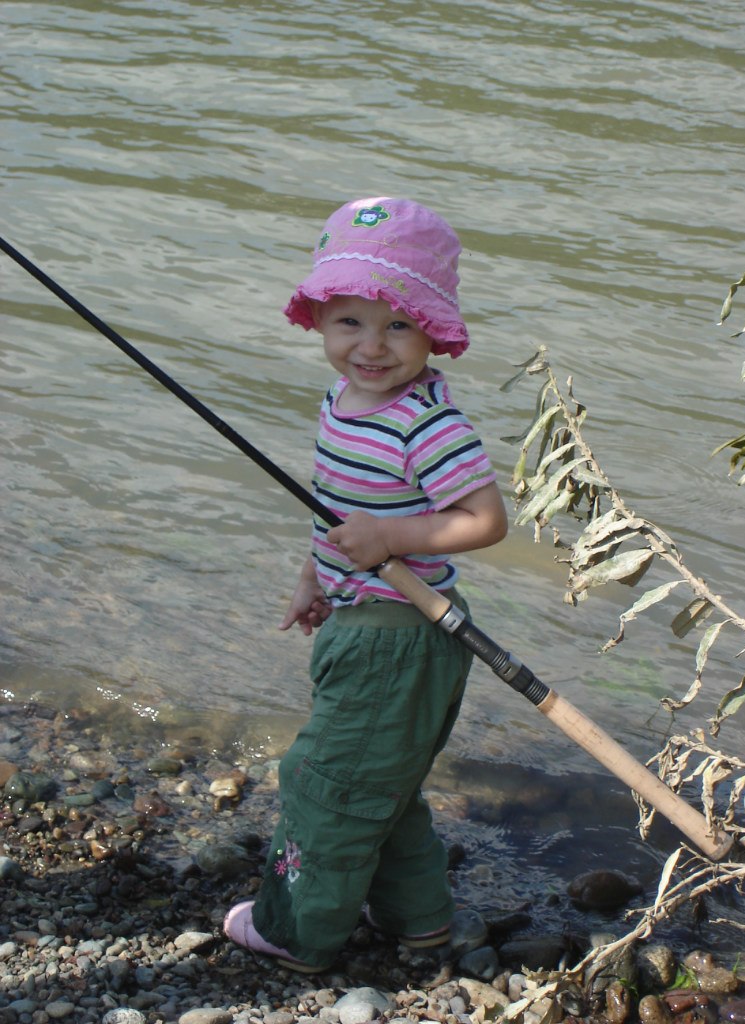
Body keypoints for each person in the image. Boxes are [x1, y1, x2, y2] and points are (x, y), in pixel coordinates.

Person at [223, 196, 508, 972]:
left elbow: (484, 519)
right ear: (319, 319)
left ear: (433, 332)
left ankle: (299, 932)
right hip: (364, 625)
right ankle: (419, 922)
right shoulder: (341, 403)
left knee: (326, 786)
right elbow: (341, 510)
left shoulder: (427, 423)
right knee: (384, 788)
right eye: (350, 322)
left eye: (398, 326)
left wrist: (391, 538)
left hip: (404, 636)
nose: (371, 348)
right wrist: (313, 574)